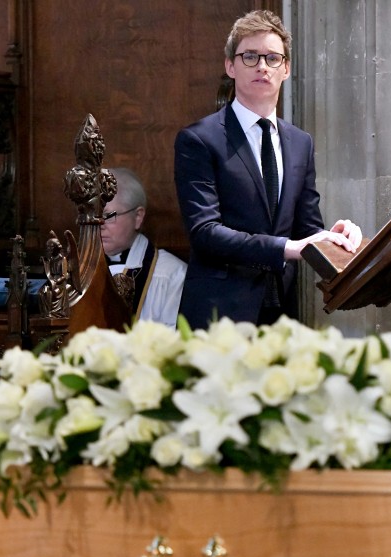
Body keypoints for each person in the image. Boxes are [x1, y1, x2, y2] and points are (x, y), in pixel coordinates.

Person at [174, 9, 362, 329]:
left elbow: (305, 229)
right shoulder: (199, 140)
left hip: (281, 314)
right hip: (218, 316)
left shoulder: (300, 142)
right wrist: (287, 248)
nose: (262, 65)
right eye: (250, 56)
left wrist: (334, 239)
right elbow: (205, 233)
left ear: (286, 68)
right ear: (230, 66)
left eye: (272, 58)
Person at [101, 167, 187, 328]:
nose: (99, 225)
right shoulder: (77, 271)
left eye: (108, 216)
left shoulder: (172, 274)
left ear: (138, 217)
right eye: (92, 216)